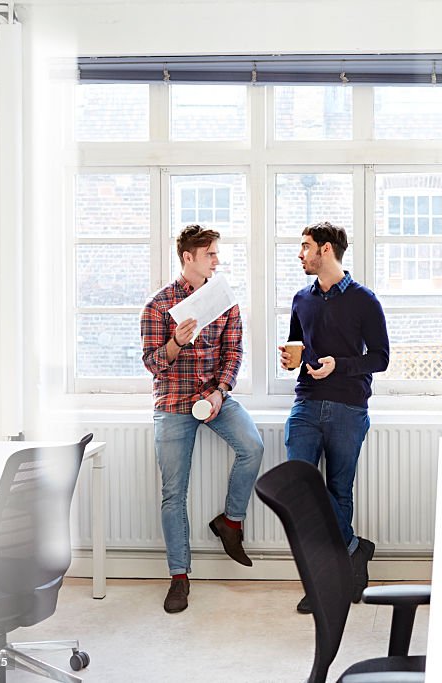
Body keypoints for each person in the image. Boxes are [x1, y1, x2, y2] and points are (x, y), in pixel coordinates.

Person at [141, 224, 264, 614]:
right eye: (210, 254)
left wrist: (219, 391)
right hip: (174, 402)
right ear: (188, 258)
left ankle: (231, 522)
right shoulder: (158, 306)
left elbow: (234, 353)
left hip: (213, 397)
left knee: (253, 447)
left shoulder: (224, 301)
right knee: (174, 493)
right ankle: (179, 576)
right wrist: (176, 342)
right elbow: (153, 366)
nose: (217, 260)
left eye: (216, 253)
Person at [279, 222, 389, 614]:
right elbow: (298, 349)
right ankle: (355, 549)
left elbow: (380, 358)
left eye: (305, 246)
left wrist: (337, 365)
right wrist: (294, 359)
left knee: (339, 492)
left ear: (325, 250)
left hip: (348, 406)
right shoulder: (300, 299)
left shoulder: (365, 301)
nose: (300, 253)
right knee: (300, 486)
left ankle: (331, 581)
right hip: (306, 404)